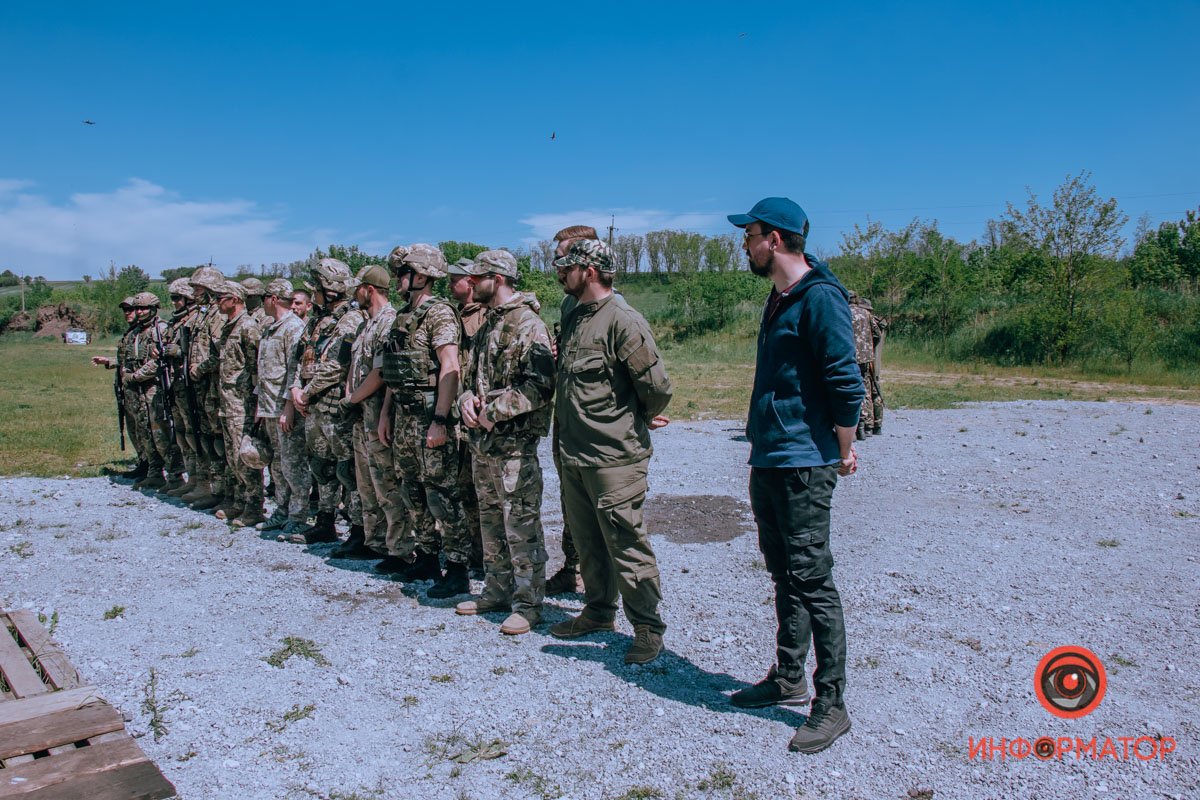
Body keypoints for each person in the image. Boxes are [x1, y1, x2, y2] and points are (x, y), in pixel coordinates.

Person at [727, 197, 864, 754]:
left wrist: (844, 449)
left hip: (806, 463)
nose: (744, 244)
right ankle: (788, 677)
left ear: (775, 239)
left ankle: (831, 705)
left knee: (813, 580)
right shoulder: (778, 298)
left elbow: (845, 380)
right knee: (784, 573)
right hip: (771, 458)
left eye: (750, 234)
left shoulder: (821, 299)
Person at [548, 239, 673, 665]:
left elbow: (656, 388)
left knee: (625, 542)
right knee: (588, 543)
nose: (559, 272)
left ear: (590, 269)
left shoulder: (623, 320)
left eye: (566, 265)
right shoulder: (573, 314)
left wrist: (633, 419)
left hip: (615, 456)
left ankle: (647, 628)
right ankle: (599, 613)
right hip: (575, 452)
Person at [454, 250, 556, 634]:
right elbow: (468, 378)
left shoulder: (529, 325)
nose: (469, 284)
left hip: (514, 446)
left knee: (521, 524)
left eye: (476, 277)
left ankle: (529, 603)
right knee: (491, 520)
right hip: (484, 446)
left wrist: (492, 411)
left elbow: (541, 386)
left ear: (495, 279)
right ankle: (497, 590)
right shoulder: (487, 326)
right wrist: (466, 402)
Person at [377, 244, 469, 586]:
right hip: (404, 415)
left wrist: (441, 420)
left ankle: (457, 567)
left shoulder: (440, 314)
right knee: (411, 490)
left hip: (430, 413)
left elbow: (450, 366)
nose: (399, 279)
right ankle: (427, 557)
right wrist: (386, 414)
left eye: (403, 272)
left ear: (421, 276)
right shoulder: (402, 316)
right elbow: (393, 370)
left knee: (441, 493)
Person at [290, 258, 366, 545]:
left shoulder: (351, 319)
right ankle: (325, 522)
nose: (313, 295)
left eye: (317, 288)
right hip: (313, 407)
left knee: (347, 472)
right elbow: (302, 357)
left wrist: (306, 392)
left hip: (335, 408)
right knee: (321, 467)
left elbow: (337, 364)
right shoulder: (317, 320)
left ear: (331, 289)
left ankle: (359, 531)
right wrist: (297, 388)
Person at [544, 225, 599, 595]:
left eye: (562, 257)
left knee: (597, 499)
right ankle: (573, 566)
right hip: (565, 411)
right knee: (569, 494)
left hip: (594, 420)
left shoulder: (608, 303)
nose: (557, 266)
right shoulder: (567, 303)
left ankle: (599, 580)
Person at [341, 263, 400, 559]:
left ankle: (398, 547)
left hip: (375, 414)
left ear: (370, 289)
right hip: (361, 417)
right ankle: (373, 540)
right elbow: (355, 364)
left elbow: (380, 373)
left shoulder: (390, 322)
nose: (355, 294)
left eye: (358, 288)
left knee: (386, 485)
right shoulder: (366, 325)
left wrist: (351, 399)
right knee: (366, 484)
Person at [256, 278, 309, 536]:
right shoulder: (270, 328)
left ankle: (298, 516)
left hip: (284, 408)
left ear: (273, 299)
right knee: (277, 464)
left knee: (293, 464)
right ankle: (282, 509)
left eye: (265, 296)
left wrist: (289, 407)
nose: (262, 301)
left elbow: (294, 371)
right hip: (268, 405)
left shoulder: (293, 328)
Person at [211, 281, 264, 527]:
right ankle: (239, 502)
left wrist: (255, 405)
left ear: (234, 298)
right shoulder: (228, 327)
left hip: (242, 403)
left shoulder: (248, 327)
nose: (216, 301)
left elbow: (256, 368)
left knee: (245, 456)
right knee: (232, 456)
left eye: (221, 297)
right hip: (228, 401)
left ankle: (254, 507)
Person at [447, 257, 486, 578]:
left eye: (454, 279)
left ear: (470, 281)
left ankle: (489, 555)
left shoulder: (486, 317)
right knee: (462, 489)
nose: (450, 284)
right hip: (454, 414)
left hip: (479, 415)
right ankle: (473, 552)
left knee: (483, 490)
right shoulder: (452, 316)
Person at [184, 266, 231, 510]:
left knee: (219, 441)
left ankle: (225, 492)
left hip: (214, 388)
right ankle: (215, 488)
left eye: (198, 288)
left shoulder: (218, 316)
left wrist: (200, 368)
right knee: (207, 438)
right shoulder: (205, 314)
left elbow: (220, 352)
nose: (194, 293)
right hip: (203, 388)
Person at [122, 292, 177, 491]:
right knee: (144, 431)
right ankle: (154, 472)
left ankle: (175, 475)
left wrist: (137, 375)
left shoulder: (161, 329)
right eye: (137, 309)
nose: (140, 312)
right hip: (137, 390)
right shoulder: (134, 332)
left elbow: (160, 360)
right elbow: (127, 357)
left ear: (153, 309)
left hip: (155, 387)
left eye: (144, 308)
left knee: (161, 432)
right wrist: (126, 373)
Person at [161, 278, 207, 498]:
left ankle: (202, 481)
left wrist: (177, 352)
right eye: (172, 298)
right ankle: (192, 477)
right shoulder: (176, 322)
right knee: (180, 433)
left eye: (177, 298)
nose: (174, 303)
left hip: (191, 387)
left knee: (193, 433)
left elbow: (201, 353)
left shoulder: (197, 320)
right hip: (175, 385)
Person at [92, 297, 148, 480]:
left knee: (144, 428)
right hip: (127, 388)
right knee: (133, 427)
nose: (128, 313)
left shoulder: (145, 332)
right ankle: (143, 462)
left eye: (131, 309)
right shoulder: (131, 333)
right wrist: (110, 362)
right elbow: (128, 361)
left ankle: (150, 465)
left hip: (141, 387)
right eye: (125, 310)